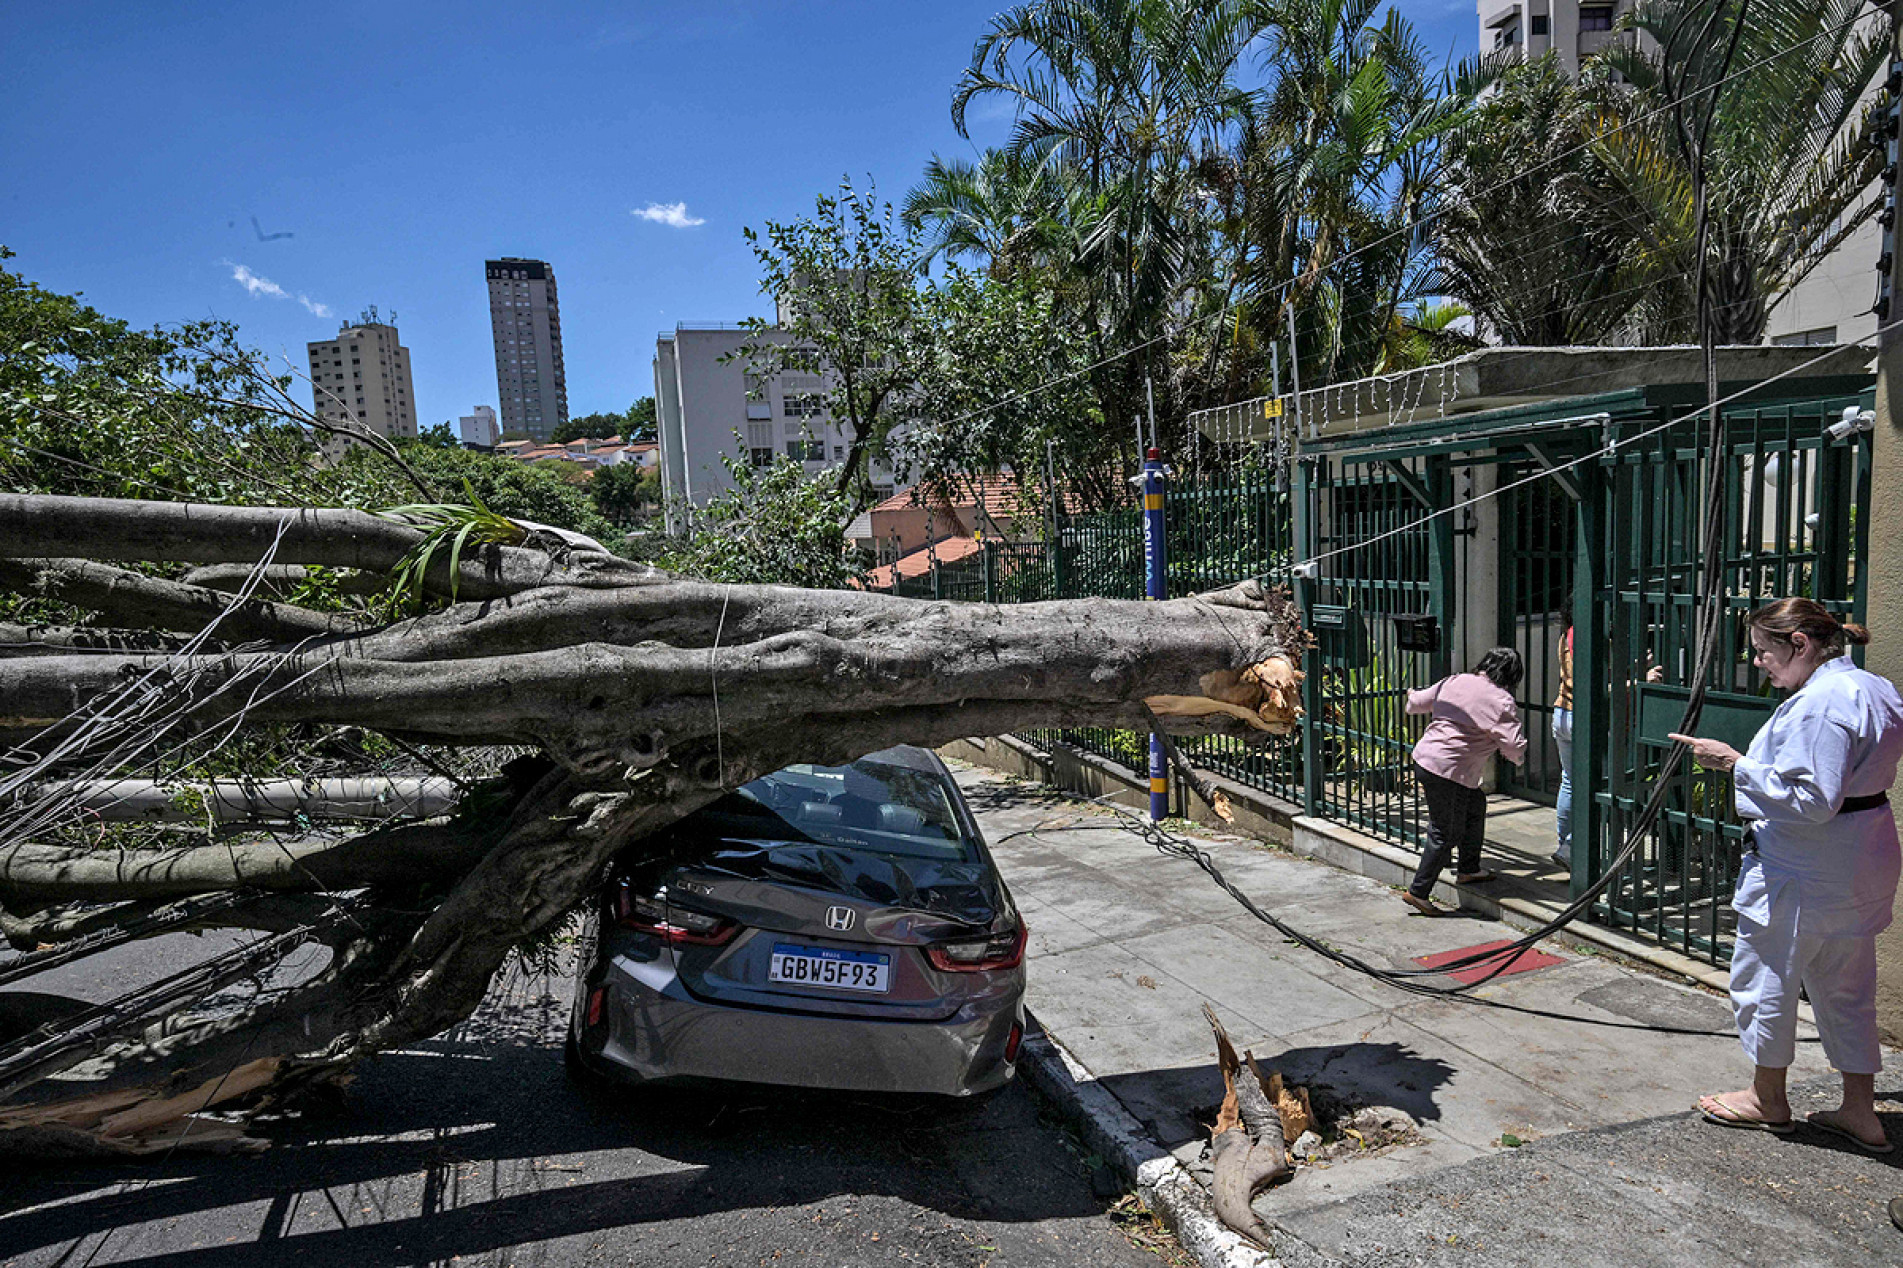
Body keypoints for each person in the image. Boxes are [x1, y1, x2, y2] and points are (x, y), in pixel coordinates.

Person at [1679, 599, 1903, 1153]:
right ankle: (1859, 1109)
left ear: (1799, 644)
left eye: (1763, 650)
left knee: (1767, 979)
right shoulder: (1874, 689)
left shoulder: (1820, 705)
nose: (1758, 662)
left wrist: (1734, 764)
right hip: (1857, 860)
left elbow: (1812, 798)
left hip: (1803, 869)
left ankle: (1767, 1098)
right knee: (1849, 988)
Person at [1401, 647, 1528, 916]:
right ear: (1513, 675)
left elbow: (1415, 704)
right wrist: (1514, 757)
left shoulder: (1454, 681)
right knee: (1444, 831)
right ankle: (1418, 892)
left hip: (1426, 759)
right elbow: (1514, 747)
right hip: (1449, 771)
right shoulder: (1501, 701)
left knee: (1474, 805)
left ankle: (1468, 869)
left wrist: (1411, 693)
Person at [1550, 629, 1662, 872]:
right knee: (1601, 785)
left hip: (1562, 713)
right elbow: (1596, 688)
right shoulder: (1593, 637)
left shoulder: (1567, 636)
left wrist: (1633, 668)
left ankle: (1566, 845)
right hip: (1585, 719)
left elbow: (1598, 676)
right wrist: (1640, 680)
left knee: (1570, 781)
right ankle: (1571, 847)